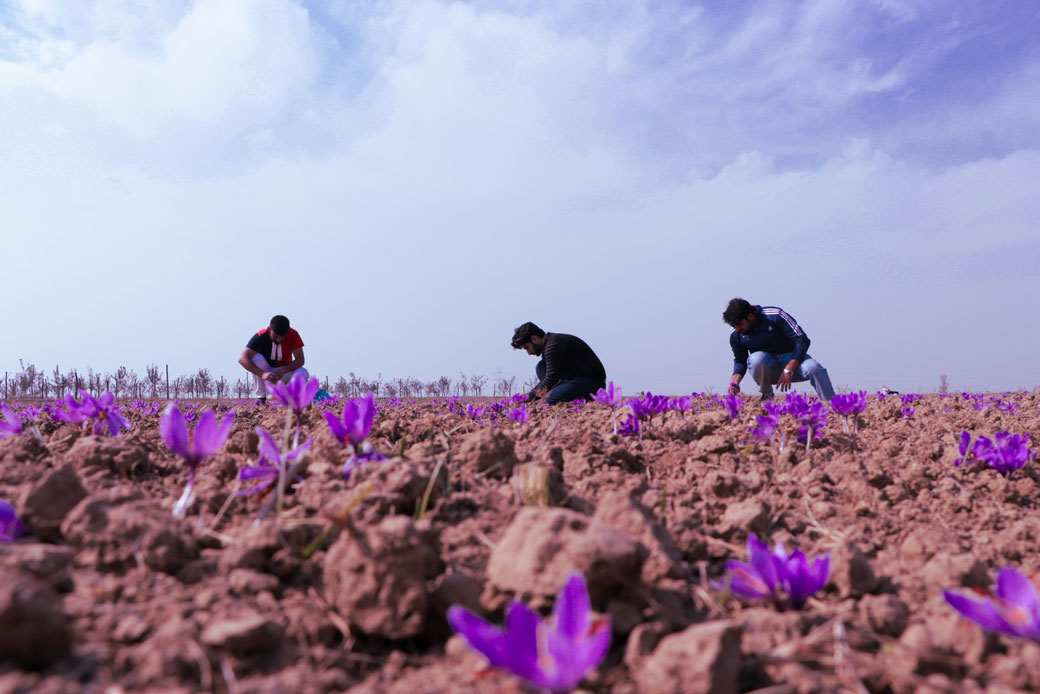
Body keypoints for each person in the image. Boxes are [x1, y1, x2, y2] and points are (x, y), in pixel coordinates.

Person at [723, 298, 835, 401]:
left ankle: (832, 403)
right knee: (756, 359)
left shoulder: (774, 316)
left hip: (793, 361)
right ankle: (766, 397)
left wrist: (789, 369)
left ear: (750, 316)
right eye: (734, 326)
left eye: (739, 324)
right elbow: (740, 360)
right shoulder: (735, 335)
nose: (737, 329)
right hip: (770, 368)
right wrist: (734, 381)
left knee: (813, 367)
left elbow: (802, 340)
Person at [511, 322, 606, 404]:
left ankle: (559, 394)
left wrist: (530, 396)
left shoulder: (553, 345)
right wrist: (532, 393)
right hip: (574, 380)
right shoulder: (550, 344)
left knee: (550, 399)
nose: (529, 353)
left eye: (527, 347)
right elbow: (551, 377)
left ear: (534, 339)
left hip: (592, 384)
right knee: (541, 366)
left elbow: (551, 378)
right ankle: (559, 392)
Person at [238, 315, 309, 404]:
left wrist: (283, 371)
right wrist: (262, 373)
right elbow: (242, 358)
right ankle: (261, 397)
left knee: (303, 373)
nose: (279, 340)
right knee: (256, 358)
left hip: (284, 374)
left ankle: (291, 398)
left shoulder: (293, 334)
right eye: (275, 336)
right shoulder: (261, 336)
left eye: (282, 336)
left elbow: (300, 360)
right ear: (269, 329)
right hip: (266, 376)